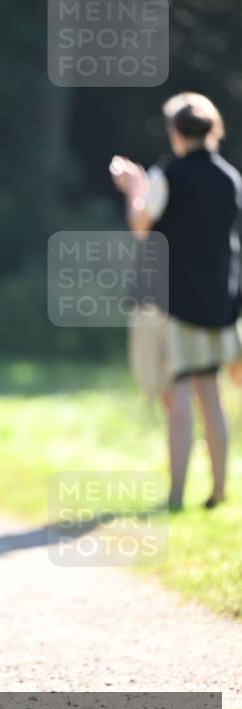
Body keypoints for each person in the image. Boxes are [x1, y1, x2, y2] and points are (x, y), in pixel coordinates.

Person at [110, 92, 241, 511]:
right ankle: (219, 491)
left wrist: (134, 187)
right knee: (212, 395)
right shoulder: (230, 177)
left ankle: (177, 495)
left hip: (174, 301)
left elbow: (141, 225)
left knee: (179, 395)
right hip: (219, 302)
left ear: (174, 131)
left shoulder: (168, 173)